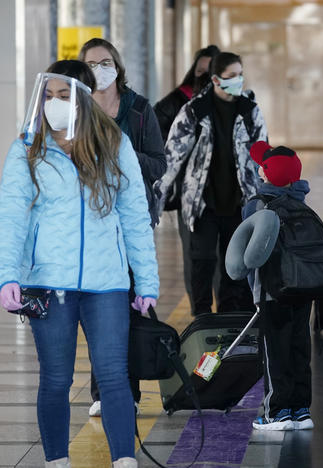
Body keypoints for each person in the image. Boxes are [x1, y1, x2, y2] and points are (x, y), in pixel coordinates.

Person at [0, 60, 159, 468]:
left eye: (64, 95)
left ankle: (124, 460)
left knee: (113, 377)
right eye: (48, 95)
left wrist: (146, 282)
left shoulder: (114, 142)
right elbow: (12, 215)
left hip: (106, 282)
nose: (53, 103)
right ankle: (57, 461)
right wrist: (7, 276)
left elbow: (135, 217)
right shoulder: (27, 146)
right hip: (48, 281)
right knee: (56, 380)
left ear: (84, 99)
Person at [77, 38, 166, 417]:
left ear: (117, 65)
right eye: (92, 64)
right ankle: (104, 391)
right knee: (100, 307)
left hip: (131, 222)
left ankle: (126, 390)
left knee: (129, 307)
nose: (100, 69)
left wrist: (122, 154)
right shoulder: (74, 111)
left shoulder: (141, 110)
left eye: (105, 62)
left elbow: (159, 164)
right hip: (91, 224)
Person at [155, 52, 267, 315]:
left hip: (240, 200)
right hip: (202, 202)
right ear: (216, 79)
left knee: (234, 262)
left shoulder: (250, 111)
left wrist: (266, 195)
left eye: (240, 75)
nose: (237, 81)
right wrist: (156, 200)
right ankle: (201, 315)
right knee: (202, 261)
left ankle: (230, 315)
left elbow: (262, 153)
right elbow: (172, 157)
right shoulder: (194, 111)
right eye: (231, 77)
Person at [242, 141, 315, 430]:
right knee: (299, 348)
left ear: (266, 173)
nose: (259, 168)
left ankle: (276, 411)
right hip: (303, 288)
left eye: (263, 166)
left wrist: (254, 292)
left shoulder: (256, 205)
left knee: (275, 350)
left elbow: (247, 254)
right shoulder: (302, 202)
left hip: (272, 292)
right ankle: (301, 410)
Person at [153, 44, 220, 314]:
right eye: (200, 71)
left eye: (210, 72)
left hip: (225, 196)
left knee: (225, 257)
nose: (203, 77)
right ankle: (200, 314)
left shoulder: (234, 104)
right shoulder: (177, 102)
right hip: (189, 195)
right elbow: (158, 141)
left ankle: (227, 312)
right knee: (197, 256)